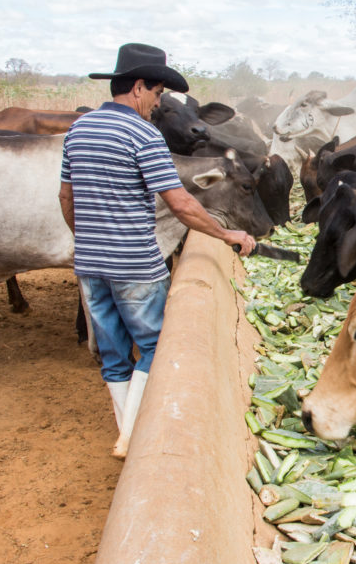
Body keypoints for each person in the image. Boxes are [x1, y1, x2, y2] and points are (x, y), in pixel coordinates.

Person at [58, 42, 256, 459]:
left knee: (113, 354)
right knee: (153, 346)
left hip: (90, 265)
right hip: (135, 265)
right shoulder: (143, 134)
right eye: (157, 94)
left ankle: (124, 432)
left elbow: (65, 197)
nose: (157, 102)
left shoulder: (79, 130)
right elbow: (180, 202)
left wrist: (90, 239)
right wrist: (227, 236)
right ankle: (132, 435)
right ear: (138, 88)